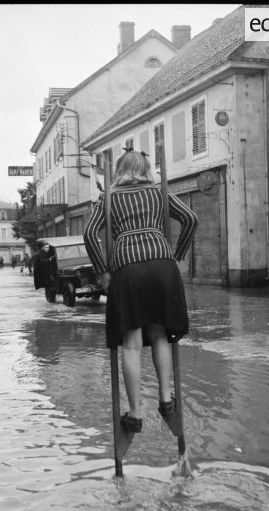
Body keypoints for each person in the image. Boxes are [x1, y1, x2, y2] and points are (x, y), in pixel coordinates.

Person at [83, 150, 198, 434]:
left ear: (119, 171)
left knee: (132, 343)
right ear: (147, 170)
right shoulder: (159, 193)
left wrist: (102, 271)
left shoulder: (108, 198)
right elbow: (191, 219)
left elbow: (89, 234)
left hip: (127, 269)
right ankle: (166, 397)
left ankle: (135, 414)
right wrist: (177, 254)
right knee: (160, 334)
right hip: (162, 265)